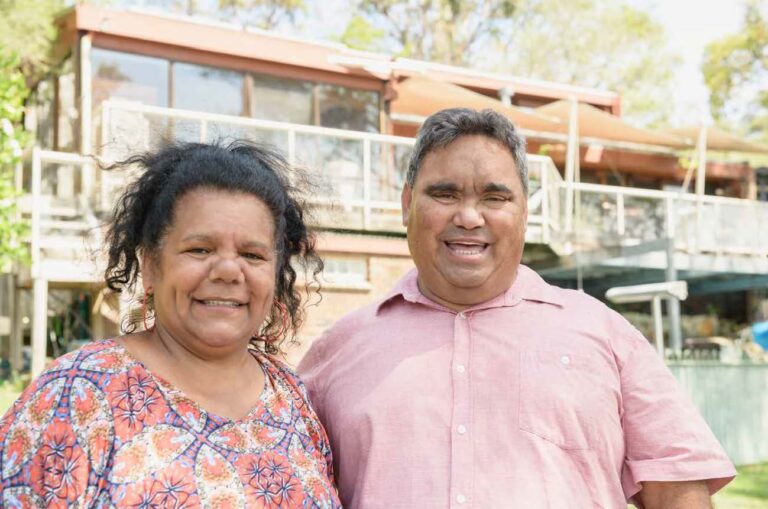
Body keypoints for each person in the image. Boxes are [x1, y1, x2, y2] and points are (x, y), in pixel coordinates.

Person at [298, 108, 736, 508]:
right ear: (407, 204)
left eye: (495, 197)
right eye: (445, 194)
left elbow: (678, 490)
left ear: (524, 210)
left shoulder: (604, 333)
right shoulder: (337, 352)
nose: (469, 217)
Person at [0, 141, 341, 508]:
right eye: (200, 249)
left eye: (252, 254)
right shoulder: (73, 396)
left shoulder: (290, 396)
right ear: (150, 265)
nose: (228, 270)